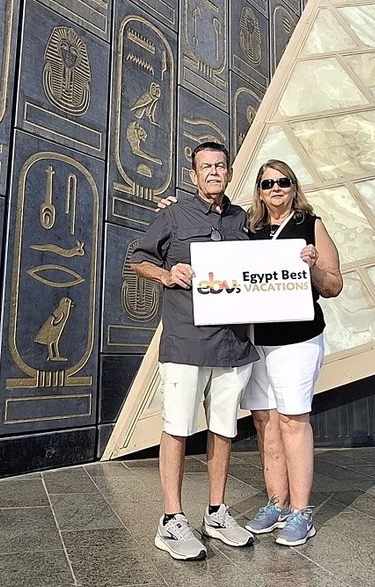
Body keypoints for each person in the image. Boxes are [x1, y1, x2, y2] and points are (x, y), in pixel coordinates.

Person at [129, 141, 257, 560]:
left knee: (224, 429)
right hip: (186, 341)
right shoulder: (173, 213)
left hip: (233, 344)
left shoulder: (242, 219)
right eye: (206, 167)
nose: (214, 172)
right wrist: (167, 275)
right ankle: (171, 520)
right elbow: (139, 260)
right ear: (193, 175)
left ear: (229, 172)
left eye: (220, 166)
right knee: (177, 427)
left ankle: (216, 513)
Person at [240, 160, 343, 546]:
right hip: (257, 339)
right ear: (259, 190)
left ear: (294, 186)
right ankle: (277, 503)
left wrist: (312, 268)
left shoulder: (310, 225)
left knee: (292, 420)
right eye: (267, 183)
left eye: (283, 181)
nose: (276, 188)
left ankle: (301, 512)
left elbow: (333, 285)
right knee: (264, 421)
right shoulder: (250, 229)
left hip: (298, 338)